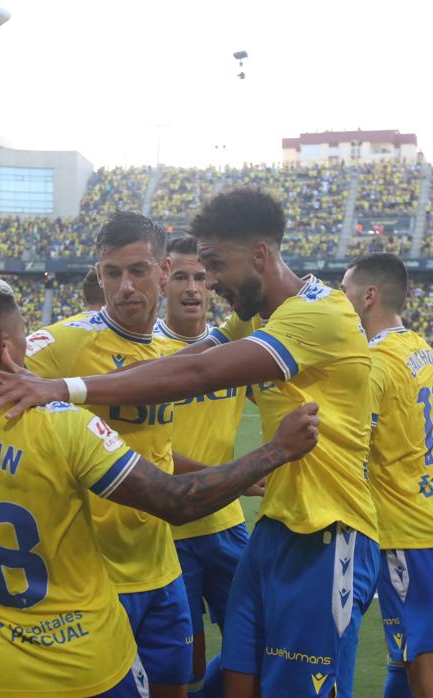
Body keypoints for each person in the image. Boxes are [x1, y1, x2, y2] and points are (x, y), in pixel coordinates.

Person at [0, 189, 380, 698]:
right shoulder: (259, 315)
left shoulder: (318, 315)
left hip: (329, 529)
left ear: (259, 255)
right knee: (239, 678)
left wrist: (65, 388)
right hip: (272, 529)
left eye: (214, 266)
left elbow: (194, 371)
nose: (209, 282)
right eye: (112, 273)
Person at [0, 271, 321, 698]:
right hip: (93, 671)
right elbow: (177, 501)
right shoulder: (58, 425)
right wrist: (275, 451)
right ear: (4, 345)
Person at [0, 213, 195, 698]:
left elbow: (156, 450)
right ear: (97, 275)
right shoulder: (64, 342)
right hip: (93, 581)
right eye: (111, 273)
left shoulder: (172, 348)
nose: (125, 287)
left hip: (161, 567)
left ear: (163, 271)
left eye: (138, 271)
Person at [341, 253, 433, 698]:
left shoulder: (375, 362)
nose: (340, 302)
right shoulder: (419, 346)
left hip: (414, 537)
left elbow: (353, 446)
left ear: (368, 296)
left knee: (426, 664)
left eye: (344, 292)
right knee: (404, 655)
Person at [156, 235, 249, 698]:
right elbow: (144, 451)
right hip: (169, 531)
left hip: (226, 524)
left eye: (200, 277)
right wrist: (239, 477)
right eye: (180, 277)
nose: (192, 287)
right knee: (184, 664)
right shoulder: (146, 352)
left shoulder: (234, 342)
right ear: (162, 279)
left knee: (254, 646)